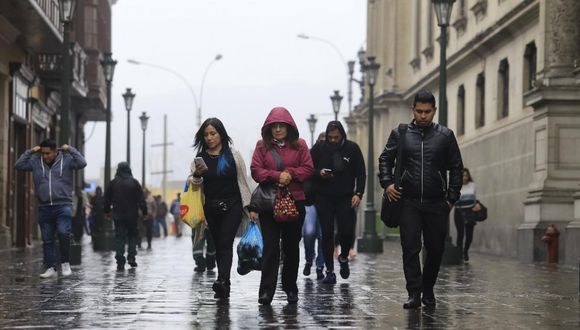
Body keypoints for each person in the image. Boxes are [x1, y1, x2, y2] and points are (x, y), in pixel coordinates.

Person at [379, 90, 463, 309]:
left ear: (434, 111)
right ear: (413, 110)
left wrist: (451, 199)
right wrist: (387, 183)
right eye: (419, 111)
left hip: (437, 202)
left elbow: (456, 168)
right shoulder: (401, 133)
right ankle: (414, 293)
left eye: (428, 112)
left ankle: (428, 288)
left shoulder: (445, 135)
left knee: (436, 248)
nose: (423, 116)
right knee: (410, 247)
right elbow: (385, 159)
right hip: (408, 200)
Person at [250, 106, 313, 305]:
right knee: (270, 247)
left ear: (289, 127)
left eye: (281, 126)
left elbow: (308, 168)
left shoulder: (300, 145)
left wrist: (291, 175)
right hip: (270, 203)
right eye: (274, 126)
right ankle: (266, 290)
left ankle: (290, 288)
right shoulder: (262, 146)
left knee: (291, 246)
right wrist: (277, 176)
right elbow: (256, 170)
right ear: (268, 128)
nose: (277, 129)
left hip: (294, 202)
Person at [189, 117, 253, 299]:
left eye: (213, 133)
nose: (209, 138)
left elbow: (243, 181)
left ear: (221, 134)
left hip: (232, 205)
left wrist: (250, 206)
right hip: (210, 207)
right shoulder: (199, 159)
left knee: (225, 242)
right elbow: (194, 186)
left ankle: (223, 280)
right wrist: (197, 175)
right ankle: (223, 280)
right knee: (217, 244)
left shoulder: (234, 155)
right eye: (206, 134)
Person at [15, 139, 87, 278]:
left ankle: (65, 263)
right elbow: (18, 165)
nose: (45, 156)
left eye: (48, 153)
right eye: (43, 153)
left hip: (63, 205)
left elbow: (82, 162)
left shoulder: (66, 161)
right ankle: (51, 267)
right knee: (47, 239)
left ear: (55, 151)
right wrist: (31, 151)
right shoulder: (36, 162)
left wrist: (70, 149)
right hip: (44, 206)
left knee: (62, 232)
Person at [310, 121, 366, 284]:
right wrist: (319, 173)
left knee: (346, 232)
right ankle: (330, 270)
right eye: (330, 137)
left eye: (336, 137)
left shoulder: (352, 148)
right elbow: (307, 169)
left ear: (342, 135)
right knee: (326, 234)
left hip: (345, 197)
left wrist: (358, 193)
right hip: (324, 197)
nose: (333, 140)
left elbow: (361, 173)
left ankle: (343, 257)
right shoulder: (319, 149)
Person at [104, 162, 147, 271]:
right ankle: (131, 256)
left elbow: (107, 199)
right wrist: (145, 212)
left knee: (119, 237)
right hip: (132, 215)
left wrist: (107, 211)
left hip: (118, 215)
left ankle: (120, 260)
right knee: (132, 236)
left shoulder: (113, 183)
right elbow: (141, 200)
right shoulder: (134, 183)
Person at [302, 132, 326, 280]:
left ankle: (319, 266)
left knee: (323, 236)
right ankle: (309, 259)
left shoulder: (333, 157)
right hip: (310, 201)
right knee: (309, 232)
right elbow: (305, 172)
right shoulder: (309, 156)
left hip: (326, 202)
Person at [454, 168, 482, 262]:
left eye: (466, 175)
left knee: (469, 235)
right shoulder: (457, 186)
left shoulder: (472, 185)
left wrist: (477, 204)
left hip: (470, 211)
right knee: (460, 234)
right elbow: (454, 199)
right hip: (459, 211)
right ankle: (458, 254)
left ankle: (465, 251)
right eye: (463, 175)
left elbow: (476, 197)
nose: (464, 177)